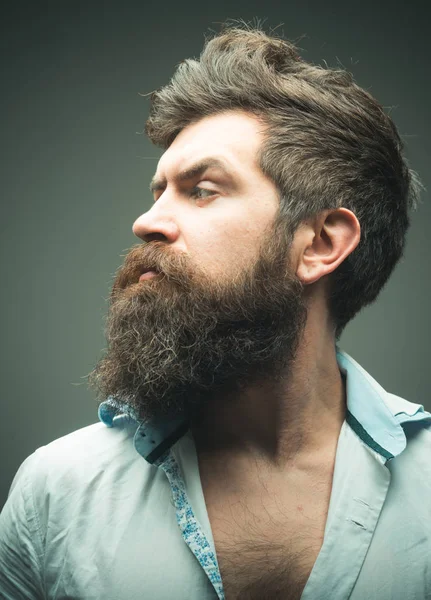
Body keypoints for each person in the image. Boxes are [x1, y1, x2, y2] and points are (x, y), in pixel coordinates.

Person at [0, 22, 430, 600]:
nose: (146, 222)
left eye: (202, 189)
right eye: (159, 191)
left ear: (321, 244)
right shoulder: (55, 496)